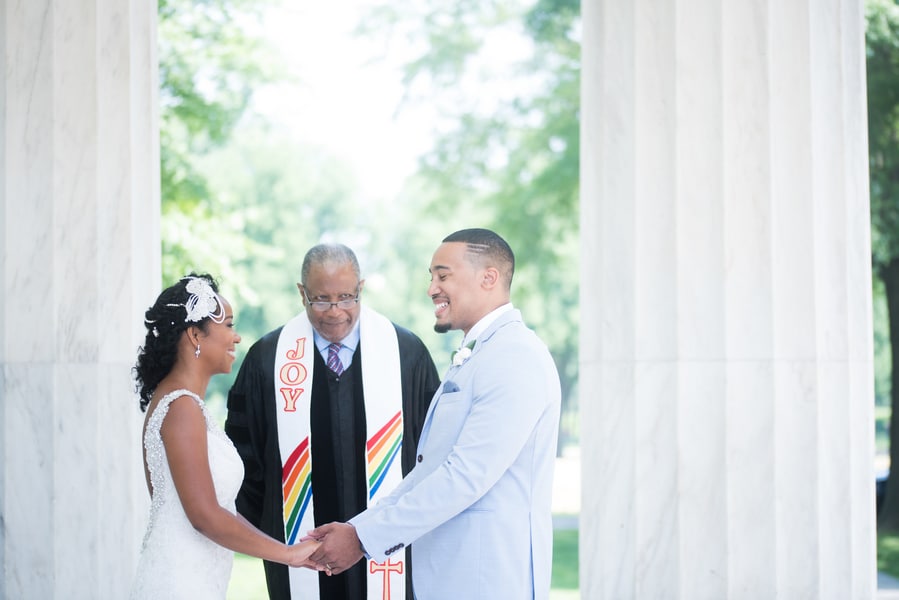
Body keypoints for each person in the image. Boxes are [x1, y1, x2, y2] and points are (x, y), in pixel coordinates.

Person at [305, 228, 562, 600]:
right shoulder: (478, 355)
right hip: (452, 578)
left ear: (488, 278)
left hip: (485, 580)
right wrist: (357, 529)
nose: (431, 289)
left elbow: (464, 477)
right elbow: (430, 472)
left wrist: (361, 540)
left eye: (443, 275)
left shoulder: (514, 356)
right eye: (431, 277)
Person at [224, 244, 440, 600]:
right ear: (301, 293)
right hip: (297, 551)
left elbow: (429, 455)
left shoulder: (405, 354)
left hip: (388, 552)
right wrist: (277, 529)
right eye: (321, 300)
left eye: (346, 297)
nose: (335, 312)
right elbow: (245, 464)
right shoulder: (267, 359)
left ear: (362, 288)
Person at [130, 273, 320, 600]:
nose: (236, 338)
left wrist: (287, 550)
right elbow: (204, 516)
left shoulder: (184, 405)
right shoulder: (181, 407)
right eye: (229, 325)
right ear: (195, 335)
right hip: (180, 586)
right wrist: (286, 556)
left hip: (196, 582)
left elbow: (222, 511)